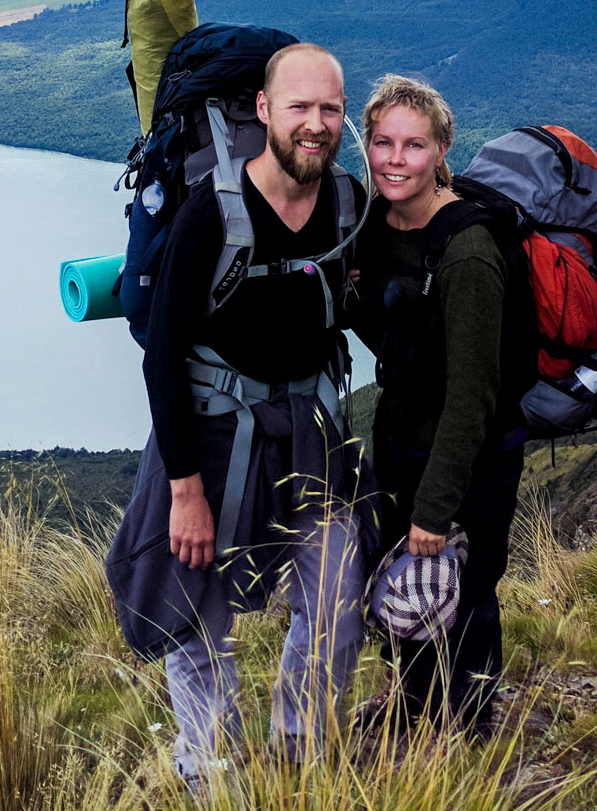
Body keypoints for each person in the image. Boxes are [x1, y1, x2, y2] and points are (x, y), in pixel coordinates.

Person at [105, 42, 374, 785]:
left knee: (336, 600)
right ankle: (211, 776)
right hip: (214, 443)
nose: (315, 124)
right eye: (299, 108)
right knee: (199, 620)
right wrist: (184, 493)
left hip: (310, 439)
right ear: (263, 111)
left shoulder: (349, 204)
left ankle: (300, 757)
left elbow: (372, 313)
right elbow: (161, 356)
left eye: (330, 108)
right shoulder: (210, 216)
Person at [348, 74, 531, 737]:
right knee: (402, 581)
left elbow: (473, 395)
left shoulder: (469, 254)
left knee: (467, 592)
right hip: (401, 438)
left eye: (414, 145)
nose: (395, 159)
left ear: (442, 149)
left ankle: (469, 731)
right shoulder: (377, 226)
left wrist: (435, 506)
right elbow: (392, 335)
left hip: (470, 455)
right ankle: (412, 702)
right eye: (382, 143)